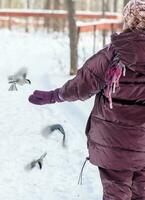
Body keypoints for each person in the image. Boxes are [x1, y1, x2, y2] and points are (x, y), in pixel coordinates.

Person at [29, 0, 145, 199]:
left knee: (116, 193)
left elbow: (82, 84)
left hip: (113, 143)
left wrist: (55, 95)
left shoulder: (113, 54)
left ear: (128, 21)